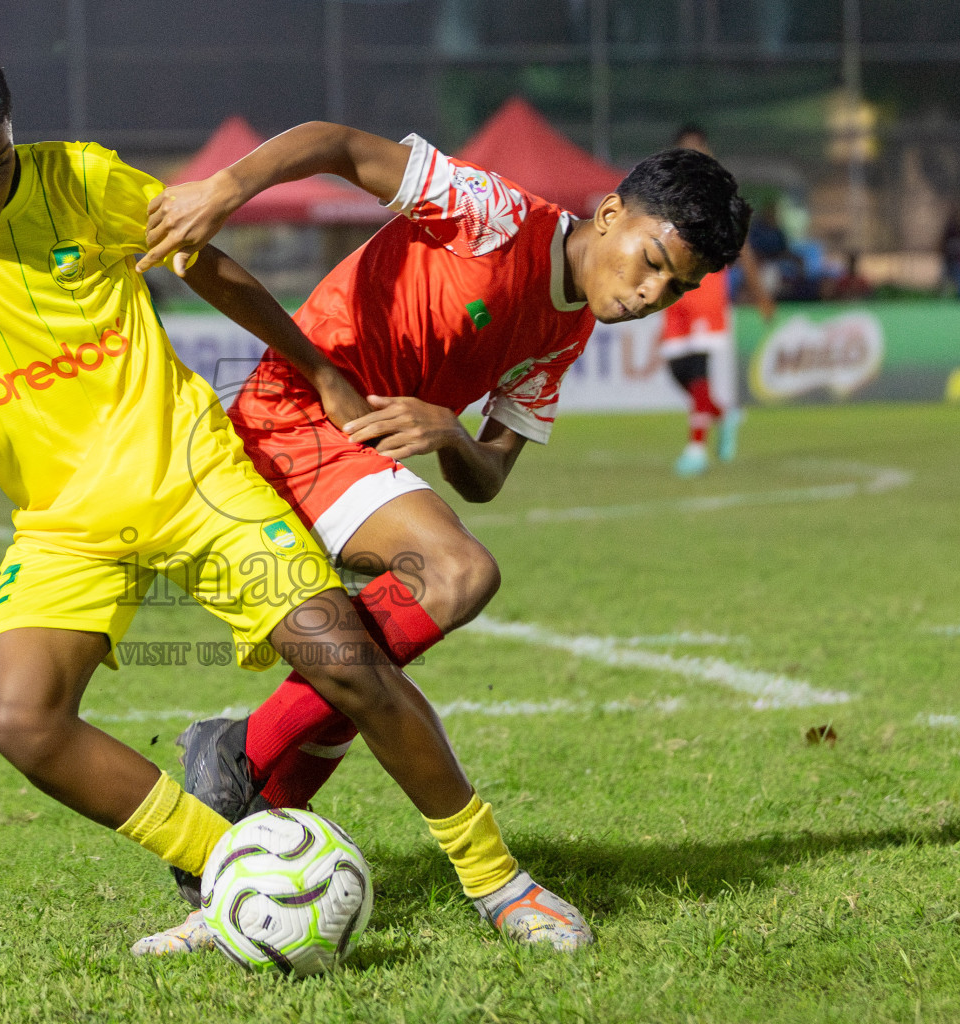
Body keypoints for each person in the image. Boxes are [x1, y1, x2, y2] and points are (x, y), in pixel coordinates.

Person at [0, 40, 590, 963]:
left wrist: (319, 369)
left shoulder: (79, 178)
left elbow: (208, 266)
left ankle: (497, 882)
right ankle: (230, 866)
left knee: (347, 664)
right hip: (62, 523)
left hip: (196, 481)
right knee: (18, 719)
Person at [131, 119, 751, 951]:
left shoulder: (562, 337)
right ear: (608, 214)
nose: (646, 296)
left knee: (369, 658)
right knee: (456, 575)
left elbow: (487, 476)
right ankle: (247, 753)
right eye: (649, 262)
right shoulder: (493, 215)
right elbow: (337, 145)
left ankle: (259, 810)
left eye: (673, 289)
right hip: (295, 414)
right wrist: (225, 188)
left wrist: (450, 433)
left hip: (352, 449)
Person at [659, 126, 775, 478]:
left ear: (707, 151)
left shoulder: (720, 192)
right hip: (673, 290)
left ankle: (696, 448)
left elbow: (743, 246)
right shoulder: (667, 192)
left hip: (706, 287)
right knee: (677, 369)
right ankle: (726, 415)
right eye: (685, 150)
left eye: (697, 149)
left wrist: (759, 295)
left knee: (697, 371)